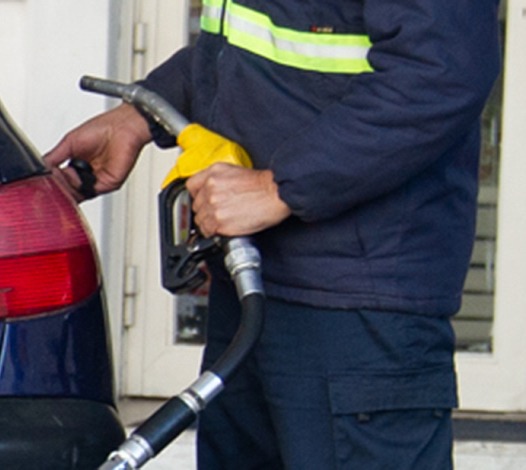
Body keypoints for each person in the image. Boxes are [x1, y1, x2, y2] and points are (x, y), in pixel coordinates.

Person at [44, 0, 501, 468]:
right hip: (251, 292)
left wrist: (279, 186)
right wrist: (144, 112)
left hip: (357, 317)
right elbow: (256, 43)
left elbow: (441, 72)